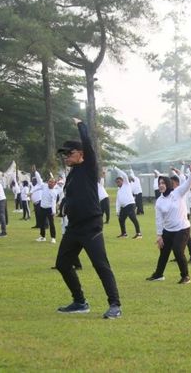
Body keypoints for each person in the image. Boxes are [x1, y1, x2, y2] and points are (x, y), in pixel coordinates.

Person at [54, 117, 122, 318]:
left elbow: (89, 146)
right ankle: (80, 301)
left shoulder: (89, 166)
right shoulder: (72, 174)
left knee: (101, 265)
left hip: (91, 226)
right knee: (62, 264)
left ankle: (115, 305)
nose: (66, 156)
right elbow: (74, 195)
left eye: (69, 153)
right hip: (74, 228)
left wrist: (81, 125)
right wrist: (65, 205)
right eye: (64, 154)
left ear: (81, 154)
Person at [146, 164, 191, 284]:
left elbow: (187, 184)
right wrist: (159, 235)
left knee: (178, 250)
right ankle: (159, 274)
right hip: (168, 230)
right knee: (163, 252)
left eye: (163, 183)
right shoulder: (159, 201)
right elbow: (158, 219)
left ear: (168, 184)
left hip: (182, 228)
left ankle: (185, 276)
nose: (161, 185)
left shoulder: (177, 193)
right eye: (159, 183)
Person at [114, 167, 142, 239]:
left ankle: (139, 234)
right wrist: (117, 211)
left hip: (130, 204)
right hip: (123, 207)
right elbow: (118, 201)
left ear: (122, 181)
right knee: (121, 219)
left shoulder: (126, 184)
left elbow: (124, 175)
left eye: (119, 181)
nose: (118, 183)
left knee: (133, 218)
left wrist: (116, 168)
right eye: (117, 182)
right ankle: (124, 234)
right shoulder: (118, 191)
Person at [36, 176, 59, 244]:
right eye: (49, 182)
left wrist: (54, 211)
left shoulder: (54, 192)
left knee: (51, 224)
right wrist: (35, 172)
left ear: (54, 184)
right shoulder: (45, 186)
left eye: (52, 182)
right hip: (42, 208)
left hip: (49, 209)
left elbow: (53, 202)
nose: (50, 183)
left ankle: (53, 238)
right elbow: (39, 180)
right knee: (42, 223)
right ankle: (43, 237)